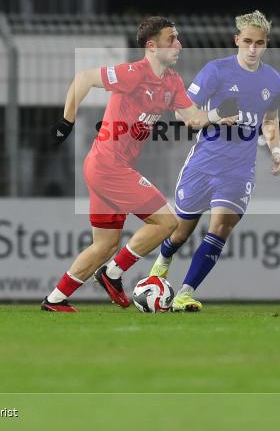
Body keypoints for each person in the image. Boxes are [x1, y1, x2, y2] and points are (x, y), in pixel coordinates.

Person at [41, 16, 237, 312]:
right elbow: (83, 78)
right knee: (167, 222)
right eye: (171, 39)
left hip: (104, 166)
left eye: (178, 37)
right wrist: (66, 122)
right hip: (108, 165)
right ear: (151, 46)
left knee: (105, 245)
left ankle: (55, 299)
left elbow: (192, 119)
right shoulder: (134, 73)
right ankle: (112, 273)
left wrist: (216, 115)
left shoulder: (171, 82)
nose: (178, 44)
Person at [149, 10, 280, 312]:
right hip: (204, 164)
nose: (253, 48)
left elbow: (271, 120)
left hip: (238, 170)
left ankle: (185, 293)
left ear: (266, 44)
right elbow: (183, 115)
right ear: (237, 40)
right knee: (181, 231)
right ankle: (161, 265)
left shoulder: (274, 81)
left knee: (221, 226)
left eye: (259, 43)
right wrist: (213, 117)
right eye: (247, 41)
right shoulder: (216, 71)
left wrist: (276, 152)